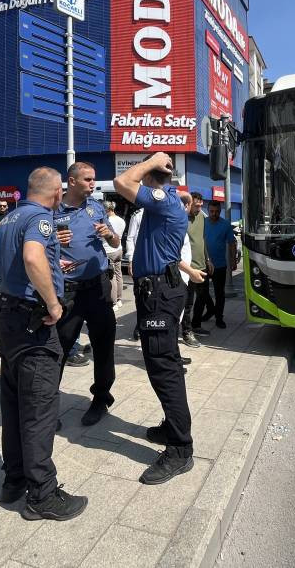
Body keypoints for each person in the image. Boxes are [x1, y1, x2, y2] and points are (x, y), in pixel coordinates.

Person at [0, 167, 87, 520]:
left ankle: (14, 479)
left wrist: (52, 266)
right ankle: (42, 494)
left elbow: (19, 263)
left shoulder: (9, 218)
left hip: (7, 321)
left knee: (14, 404)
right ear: (58, 192)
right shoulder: (41, 219)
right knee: (39, 410)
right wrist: (53, 303)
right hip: (33, 326)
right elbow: (32, 257)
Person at [113, 151, 195, 485]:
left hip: (160, 294)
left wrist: (153, 160)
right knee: (163, 363)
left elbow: (121, 181)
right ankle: (172, 425)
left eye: (145, 171)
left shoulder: (163, 201)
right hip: (158, 291)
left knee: (163, 368)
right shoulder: (166, 202)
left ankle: (180, 448)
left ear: (149, 177)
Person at [54, 162, 120, 426]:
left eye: (94, 179)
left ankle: (101, 398)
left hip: (98, 287)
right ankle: (48, 405)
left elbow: (116, 242)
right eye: (88, 179)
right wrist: (53, 242)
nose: (93, 184)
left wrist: (109, 234)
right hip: (68, 291)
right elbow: (35, 246)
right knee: (58, 348)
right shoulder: (53, 209)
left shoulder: (96, 207)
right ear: (72, 181)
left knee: (103, 345)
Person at [201, 200, 239, 329]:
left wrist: (233, 260)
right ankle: (211, 309)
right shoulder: (203, 223)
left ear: (220, 211)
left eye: (217, 211)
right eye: (211, 211)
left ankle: (219, 318)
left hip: (220, 265)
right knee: (202, 291)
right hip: (203, 264)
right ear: (207, 210)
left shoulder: (225, 225)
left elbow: (232, 243)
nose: (214, 214)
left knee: (219, 293)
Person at [182, 192, 212, 347]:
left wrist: (208, 259)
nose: (199, 209)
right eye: (196, 206)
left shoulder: (202, 217)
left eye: (201, 205)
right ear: (189, 204)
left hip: (202, 266)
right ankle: (186, 332)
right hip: (188, 269)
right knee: (188, 303)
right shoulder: (181, 218)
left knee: (202, 298)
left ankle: (196, 325)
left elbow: (202, 239)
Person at [126, 207, 144, 341]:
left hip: (157, 261)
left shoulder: (162, 210)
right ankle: (140, 324)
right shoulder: (138, 215)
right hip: (140, 260)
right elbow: (130, 237)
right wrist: (131, 260)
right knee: (139, 295)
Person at [103, 200, 126, 310]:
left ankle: (114, 302)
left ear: (106, 209)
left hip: (108, 250)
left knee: (111, 277)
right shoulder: (121, 220)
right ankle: (119, 299)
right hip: (119, 249)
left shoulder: (106, 221)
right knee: (118, 274)